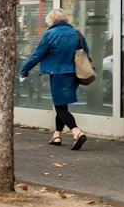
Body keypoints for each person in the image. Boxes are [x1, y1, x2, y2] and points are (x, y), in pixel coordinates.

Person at [19, 9, 89, 149]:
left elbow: (37, 55)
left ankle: (77, 132)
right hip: (74, 74)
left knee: (60, 108)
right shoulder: (77, 33)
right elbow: (86, 52)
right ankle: (56, 135)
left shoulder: (49, 34)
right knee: (62, 105)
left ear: (51, 20)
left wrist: (24, 69)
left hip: (57, 74)